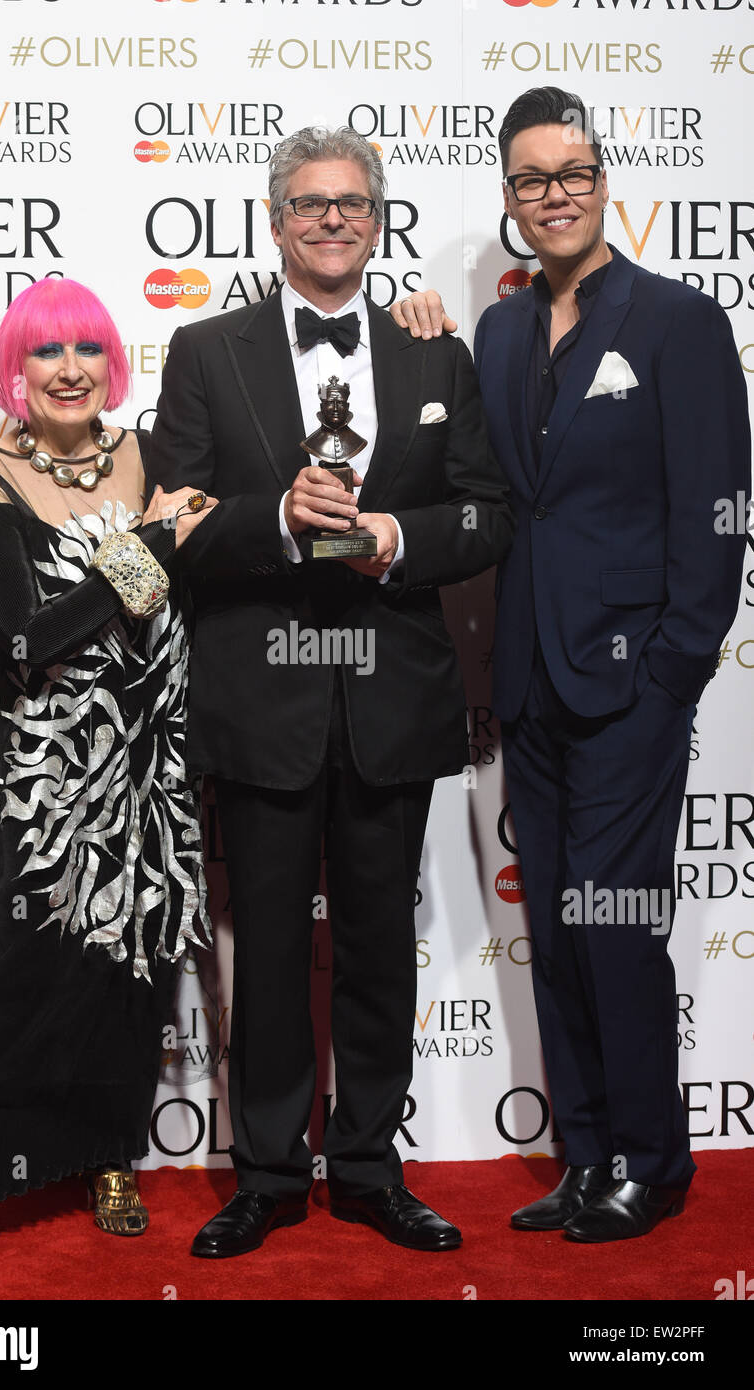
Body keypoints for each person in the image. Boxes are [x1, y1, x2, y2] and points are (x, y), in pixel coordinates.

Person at [146, 126, 514, 1258]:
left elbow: (486, 514)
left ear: (378, 216)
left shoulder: (435, 355)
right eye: (310, 203)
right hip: (262, 705)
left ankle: (366, 1166)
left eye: (353, 202)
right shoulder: (206, 350)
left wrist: (398, 537)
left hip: (393, 703)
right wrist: (276, 521)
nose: (333, 218)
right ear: (275, 219)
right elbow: (172, 522)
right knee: (262, 951)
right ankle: (264, 1175)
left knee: (376, 951)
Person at [393, 86, 750, 1241]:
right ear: (510, 197)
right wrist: (414, 344)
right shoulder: (496, 331)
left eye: (575, 173)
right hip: (530, 686)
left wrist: (675, 667)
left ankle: (655, 1155)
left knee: (612, 921)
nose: (557, 194)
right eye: (534, 179)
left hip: (631, 680)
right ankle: (588, 1152)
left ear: (605, 184)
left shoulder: (678, 323)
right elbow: (479, 487)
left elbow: (716, 508)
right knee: (553, 920)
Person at [0, 277, 215, 1280]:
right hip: (43, 783)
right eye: (46, 351)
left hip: (152, 767)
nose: (70, 368)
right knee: (25, 973)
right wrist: (154, 544)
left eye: (87, 347)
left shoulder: (150, 454)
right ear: (16, 369)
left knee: (135, 970)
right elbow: (32, 637)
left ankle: (103, 1153)